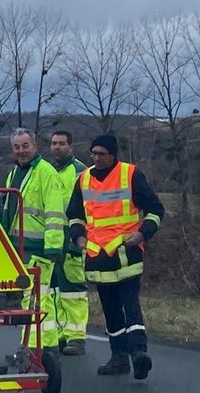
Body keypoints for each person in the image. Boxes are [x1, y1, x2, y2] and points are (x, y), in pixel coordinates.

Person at [65, 134, 165, 379]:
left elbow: (155, 210)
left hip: (126, 253)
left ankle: (139, 353)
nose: (96, 158)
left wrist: (142, 234)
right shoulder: (84, 179)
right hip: (98, 256)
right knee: (110, 309)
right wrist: (78, 239)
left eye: (101, 154)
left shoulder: (130, 174)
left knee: (130, 304)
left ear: (112, 155)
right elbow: (75, 215)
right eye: (93, 153)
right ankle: (118, 357)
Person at [0, 128, 67, 358]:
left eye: (25, 146)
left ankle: (40, 349)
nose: (21, 151)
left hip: (39, 248)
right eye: (17, 147)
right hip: (18, 247)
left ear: (35, 147)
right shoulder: (14, 173)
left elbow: (55, 214)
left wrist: (53, 248)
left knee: (36, 298)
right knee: (32, 298)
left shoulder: (46, 172)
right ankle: (36, 347)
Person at [48, 130, 90, 356]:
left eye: (61, 144)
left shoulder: (81, 171)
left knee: (73, 289)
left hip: (72, 236)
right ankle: (59, 336)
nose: (57, 147)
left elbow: (88, 207)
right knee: (53, 290)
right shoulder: (48, 170)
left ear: (70, 146)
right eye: (54, 143)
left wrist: (80, 236)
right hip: (51, 237)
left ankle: (77, 338)